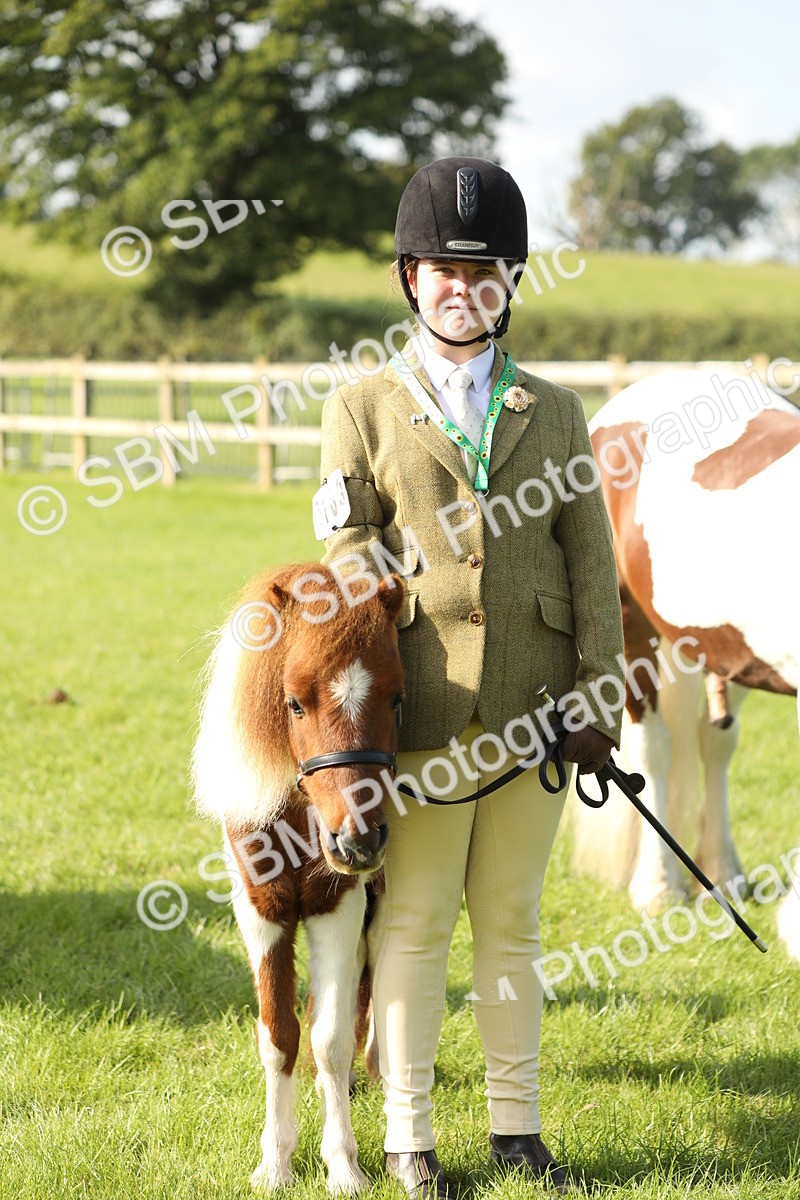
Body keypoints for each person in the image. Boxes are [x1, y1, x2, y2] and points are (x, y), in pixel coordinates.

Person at [318, 157, 624, 1197]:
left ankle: (517, 1129)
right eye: (443, 270)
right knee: (412, 922)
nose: (464, 287)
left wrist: (594, 697)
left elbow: (592, 565)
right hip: (425, 710)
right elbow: (348, 547)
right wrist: (393, 598)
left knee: (512, 920)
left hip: (538, 715)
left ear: (508, 283)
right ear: (410, 279)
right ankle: (408, 1137)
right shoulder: (359, 406)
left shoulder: (556, 408)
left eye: (483, 270)